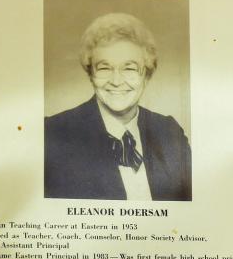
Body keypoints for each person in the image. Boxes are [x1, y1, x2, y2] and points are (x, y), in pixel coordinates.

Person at [44, 12, 192, 201]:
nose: (116, 81)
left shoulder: (169, 132)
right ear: (91, 74)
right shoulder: (52, 134)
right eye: (104, 68)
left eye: (129, 68)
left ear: (146, 75)